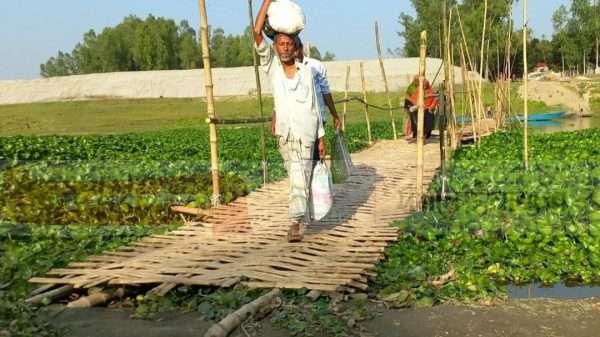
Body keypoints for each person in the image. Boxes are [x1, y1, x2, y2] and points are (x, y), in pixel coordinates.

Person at [254, 0, 325, 242]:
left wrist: (321, 136)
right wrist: (266, 2)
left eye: (289, 44)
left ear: (295, 47)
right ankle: (302, 216)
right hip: (285, 133)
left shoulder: (306, 72)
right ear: (276, 46)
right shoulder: (271, 66)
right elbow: (256, 32)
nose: (285, 48)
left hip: (306, 133)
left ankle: (295, 223)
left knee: (300, 174)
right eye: (281, 44)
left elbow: (315, 105)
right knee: (294, 174)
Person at [294, 38, 341, 162]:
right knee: (300, 156)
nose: (294, 52)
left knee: (315, 155)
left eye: (296, 48)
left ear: (301, 47)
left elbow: (326, 92)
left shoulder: (316, 66)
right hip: (296, 120)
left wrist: (335, 115)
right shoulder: (287, 69)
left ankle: (316, 178)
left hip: (317, 118)